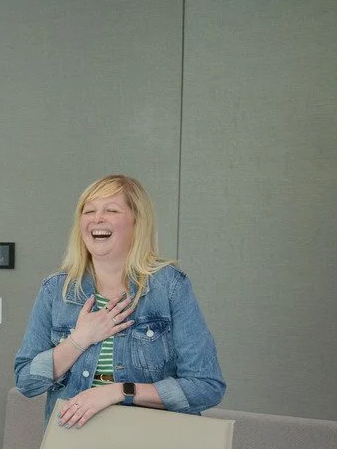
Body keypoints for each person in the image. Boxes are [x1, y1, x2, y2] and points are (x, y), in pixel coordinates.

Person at [14, 175, 225, 429]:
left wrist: (119, 391)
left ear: (137, 222)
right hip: (75, 443)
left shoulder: (170, 286)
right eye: (88, 211)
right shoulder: (55, 289)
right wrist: (79, 340)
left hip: (152, 443)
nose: (96, 218)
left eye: (111, 210)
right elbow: (26, 382)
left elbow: (206, 387)